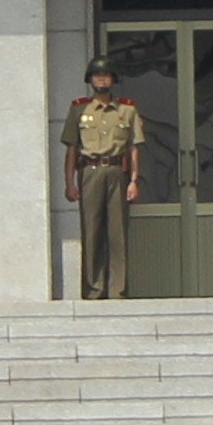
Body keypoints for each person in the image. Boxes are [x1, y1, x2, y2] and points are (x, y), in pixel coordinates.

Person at [61, 56, 144, 299]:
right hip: (90, 172)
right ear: (90, 79)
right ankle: (94, 289)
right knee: (91, 231)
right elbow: (72, 149)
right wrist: (70, 183)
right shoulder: (79, 109)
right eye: (97, 75)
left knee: (117, 233)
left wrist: (134, 180)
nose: (102, 79)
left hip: (118, 171)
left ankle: (117, 290)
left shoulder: (127, 110)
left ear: (113, 80)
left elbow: (134, 148)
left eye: (106, 75)